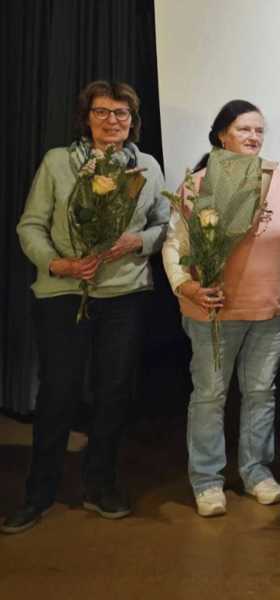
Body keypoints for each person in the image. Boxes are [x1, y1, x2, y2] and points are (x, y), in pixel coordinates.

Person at [5, 80, 169, 534]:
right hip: (63, 293)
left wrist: (138, 240)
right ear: (86, 117)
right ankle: (38, 494)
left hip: (123, 294)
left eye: (121, 113)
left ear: (133, 121)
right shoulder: (60, 162)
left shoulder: (148, 166)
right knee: (58, 393)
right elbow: (30, 226)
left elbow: (164, 223)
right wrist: (58, 263)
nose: (111, 121)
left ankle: (100, 486)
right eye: (102, 112)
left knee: (114, 393)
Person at [162, 100, 280, 518]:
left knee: (261, 394)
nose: (254, 137)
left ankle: (256, 472)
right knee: (209, 396)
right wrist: (187, 287)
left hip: (268, 309)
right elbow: (174, 245)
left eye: (259, 130)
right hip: (213, 311)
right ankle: (206, 480)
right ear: (222, 135)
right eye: (244, 130)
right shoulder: (198, 183)